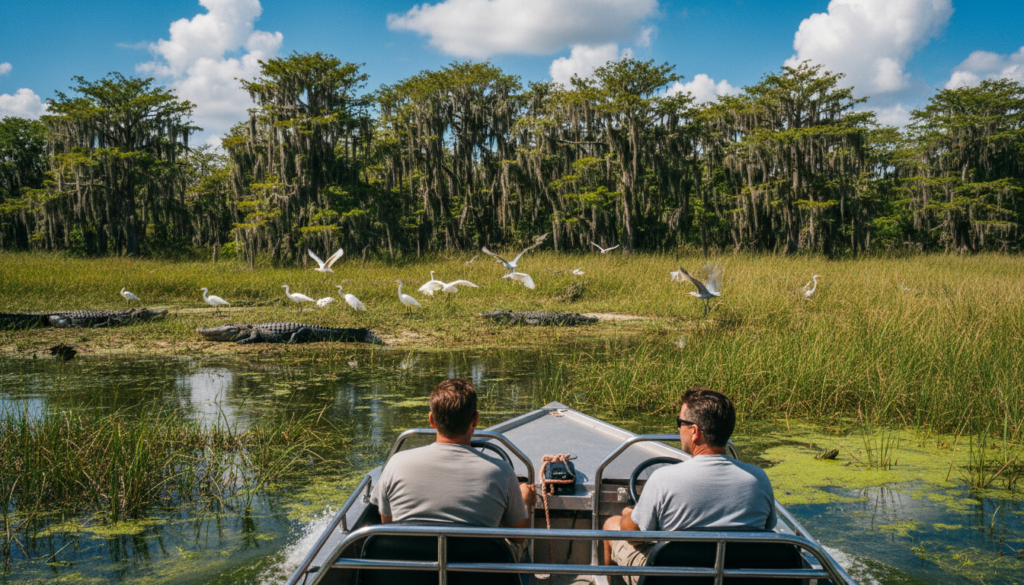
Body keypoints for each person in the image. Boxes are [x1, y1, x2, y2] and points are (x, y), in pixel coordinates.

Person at [602, 388, 776, 581]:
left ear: (694, 431)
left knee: (611, 524)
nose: (678, 429)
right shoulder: (759, 479)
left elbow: (633, 537)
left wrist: (629, 514)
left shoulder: (663, 479)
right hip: (738, 578)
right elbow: (767, 531)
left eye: (680, 422)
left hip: (673, 579)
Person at [370, 378, 537, 534]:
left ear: (431, 420)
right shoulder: (502, 472)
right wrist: (526, 499)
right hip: (476, 563)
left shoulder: (397, 463)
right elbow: (519, 535)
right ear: (475, 420)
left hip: (412, 564)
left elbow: (388, 523)